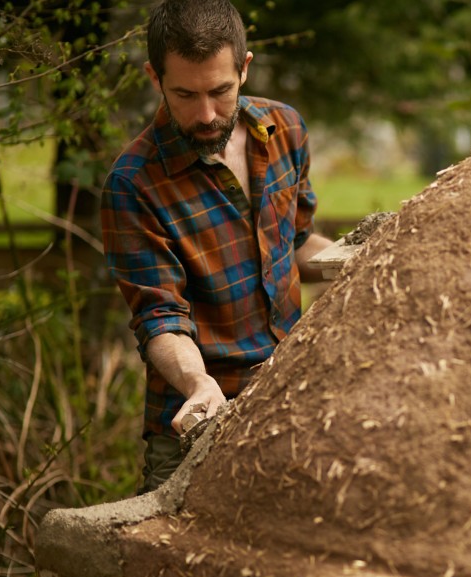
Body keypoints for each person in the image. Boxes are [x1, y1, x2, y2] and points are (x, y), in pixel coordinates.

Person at [101, 0, 331, 494]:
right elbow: (159, 316)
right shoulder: (132, 183)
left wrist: (369, 262)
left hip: (293, 406)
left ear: (244, 70)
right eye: (184, 94)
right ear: (153, 77)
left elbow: (298, 243)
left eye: (220, 91)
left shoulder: (285, 128)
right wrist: (197, 383)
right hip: (198, 419)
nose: (206, 114)